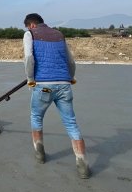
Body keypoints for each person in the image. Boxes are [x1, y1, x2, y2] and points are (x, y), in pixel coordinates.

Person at [23, 13, 90, 179]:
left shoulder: (30, 34)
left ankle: (40, 155)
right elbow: (71, 61)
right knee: (71, 122)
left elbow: (29, 58)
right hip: (64, 85)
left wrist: (30, 79)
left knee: (36, 116)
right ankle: (82, 165)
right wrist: (71, 78)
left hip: (43, 86)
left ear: (31, 25)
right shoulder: (59, 34)